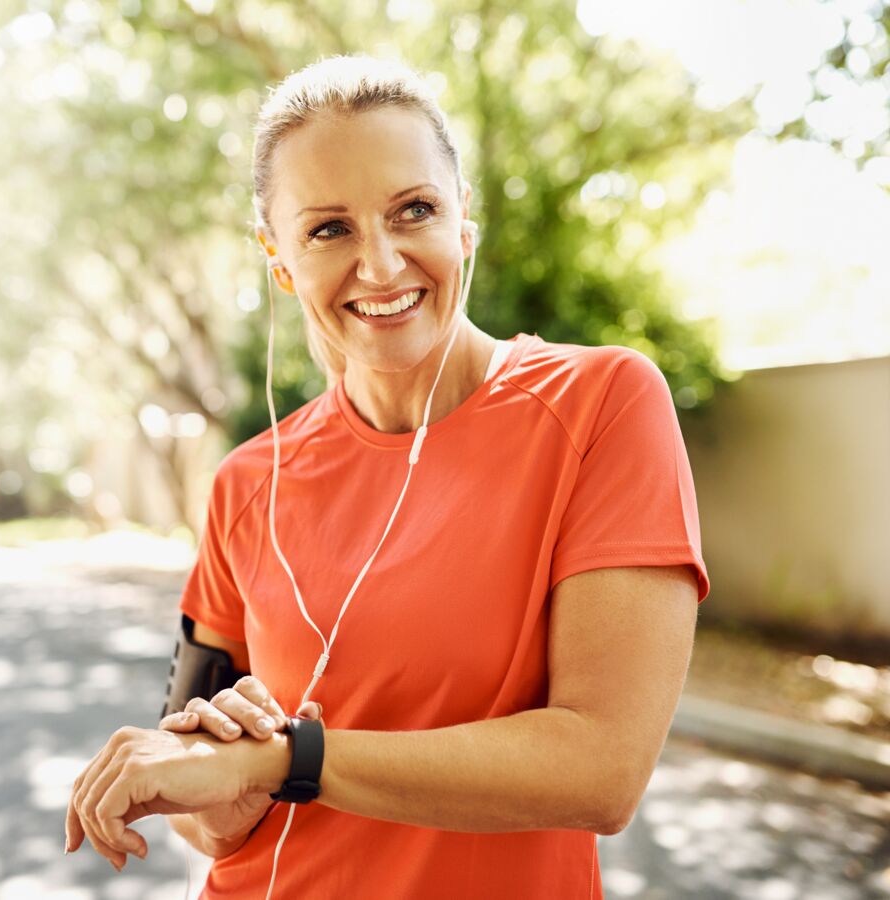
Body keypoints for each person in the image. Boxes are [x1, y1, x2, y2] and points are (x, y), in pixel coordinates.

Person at [64, 54, 709, 899]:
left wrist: (291, 757)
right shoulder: (245, 483)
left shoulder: (601, 404)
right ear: (277, 257)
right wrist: (223, 793)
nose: (380, 264)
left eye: (414, 211)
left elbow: (602, 768)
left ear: (464, 220)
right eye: (329, 229)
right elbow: (200, 810)